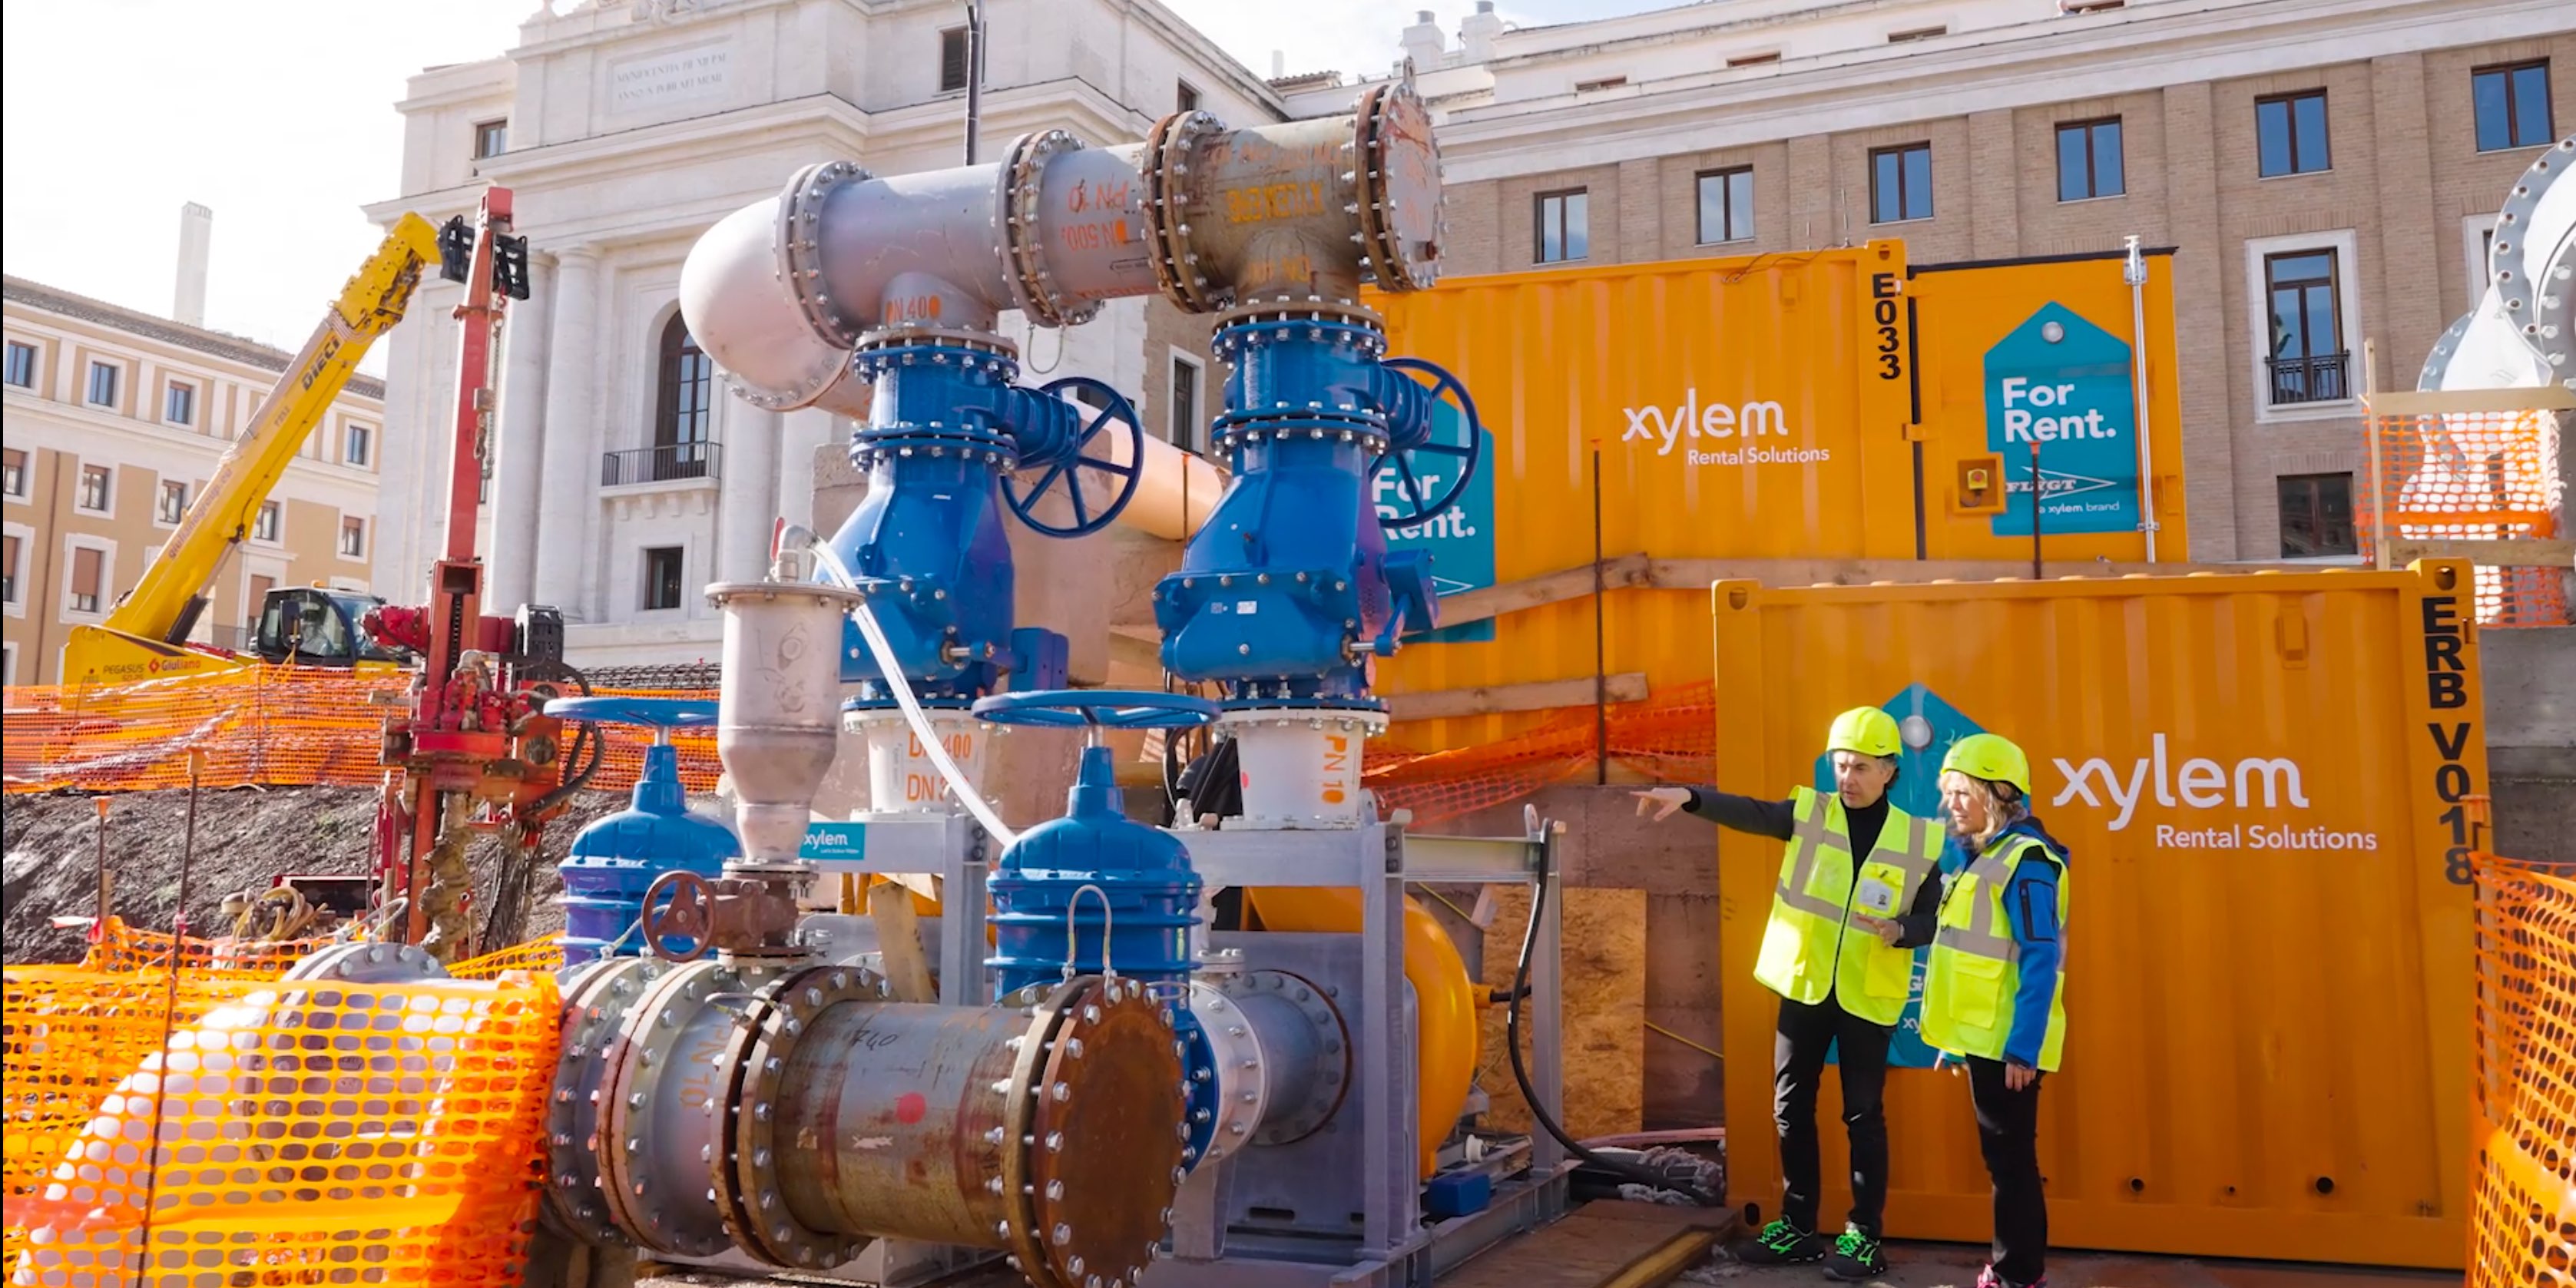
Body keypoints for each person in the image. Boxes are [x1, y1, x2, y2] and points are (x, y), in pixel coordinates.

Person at [1634, 706, 1945, 1280]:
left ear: (1889, 770)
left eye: (1860, 767)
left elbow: (1933, 918)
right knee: (1790, 1108)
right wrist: (1691, 797)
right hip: (1806, 985)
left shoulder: (1920, 838)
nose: (1847, 777)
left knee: (1863, 1115)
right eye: (1840, 764)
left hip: (1866, 994)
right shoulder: (1810, 812)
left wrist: (1902, 930)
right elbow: (1751, 813)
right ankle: (1799, 1228)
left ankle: (1864, 1237)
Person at [1916, 733, 2070, 1288]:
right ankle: (2014, 1272)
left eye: (1964, 792)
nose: (1952, 803)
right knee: (2004, 1161)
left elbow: (2039, 957)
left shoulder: (2027, 862)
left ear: (2000, 794)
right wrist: (1957, 1040)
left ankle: (2017, 1275)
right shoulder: (1983, 856)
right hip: (1985, 1040)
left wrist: (2022, 1048)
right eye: (1949, 792)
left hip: (2010, 1047)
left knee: (2011, 1164)